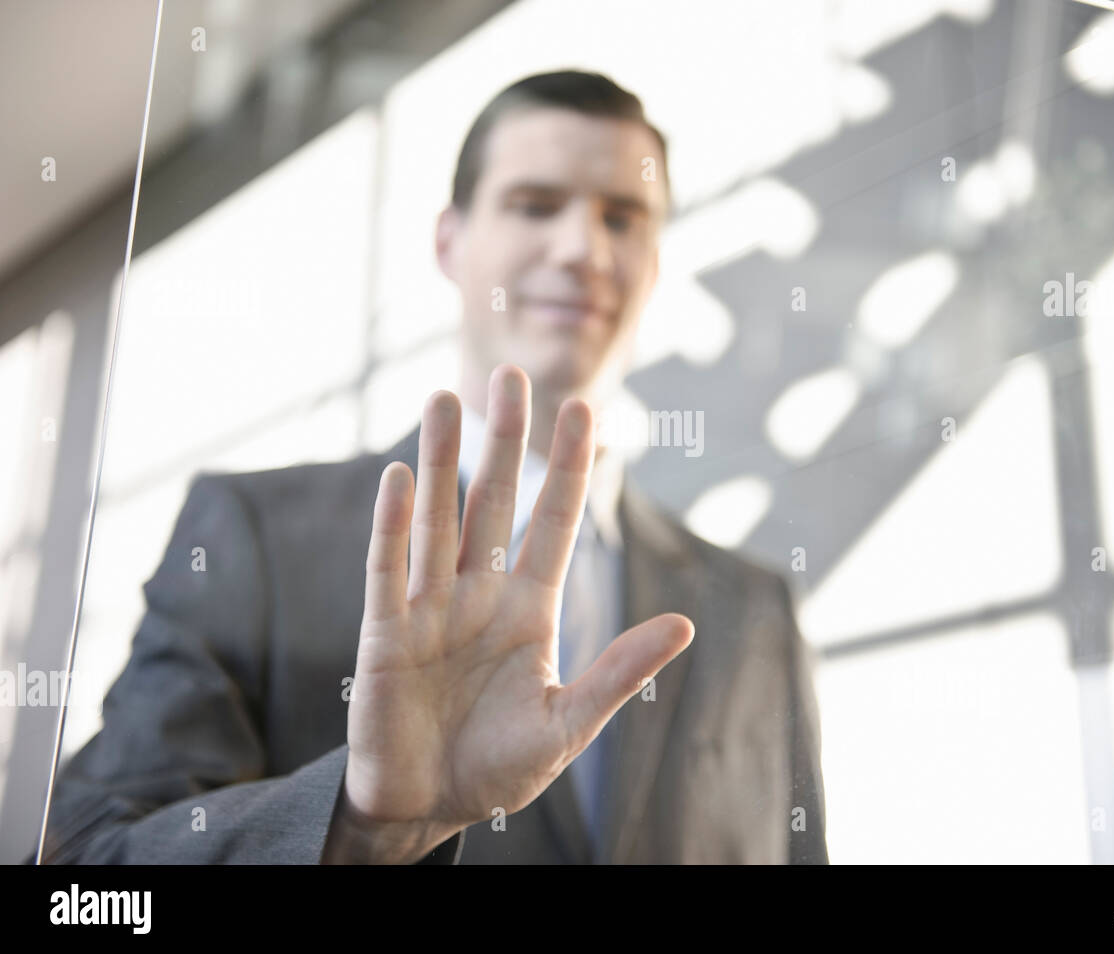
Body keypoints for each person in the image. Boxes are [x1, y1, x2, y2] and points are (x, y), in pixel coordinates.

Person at [37, 70, 828, 864]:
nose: (584, 249)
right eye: (535, 205)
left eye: (623, 219)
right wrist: (359, 825)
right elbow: (85, 877)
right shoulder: (257, 537)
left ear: (652, 268)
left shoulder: (753, 611)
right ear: (449, 242)